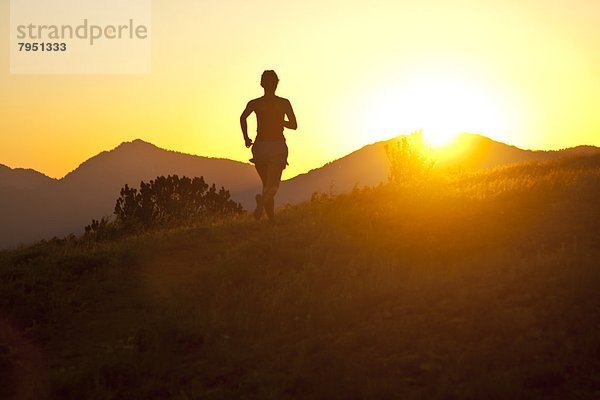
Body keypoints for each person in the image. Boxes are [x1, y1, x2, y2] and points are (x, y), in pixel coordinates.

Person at [240, 70, 297, 222]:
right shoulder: (284, 103)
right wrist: (280, 122)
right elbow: (294, 125)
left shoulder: (255, 103)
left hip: (260, 147)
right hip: (277, 145)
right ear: (276, 84)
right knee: (273, 187)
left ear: (262, 84)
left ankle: (271, 221)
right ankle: (261, 206)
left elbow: (242, 117)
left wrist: (246, 138)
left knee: (266, 185)